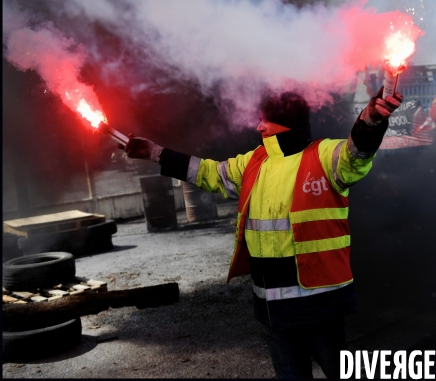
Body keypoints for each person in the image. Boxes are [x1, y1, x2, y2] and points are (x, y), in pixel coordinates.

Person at [122, 87, 402, 378]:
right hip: (274, 311)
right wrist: (156, 153)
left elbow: (356, 153)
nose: (258, 126)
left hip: (321, 308)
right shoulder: (255, 161)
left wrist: (371, 120)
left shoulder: (324, 155)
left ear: (283, 124)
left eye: (264, 120)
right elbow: (208, 172)